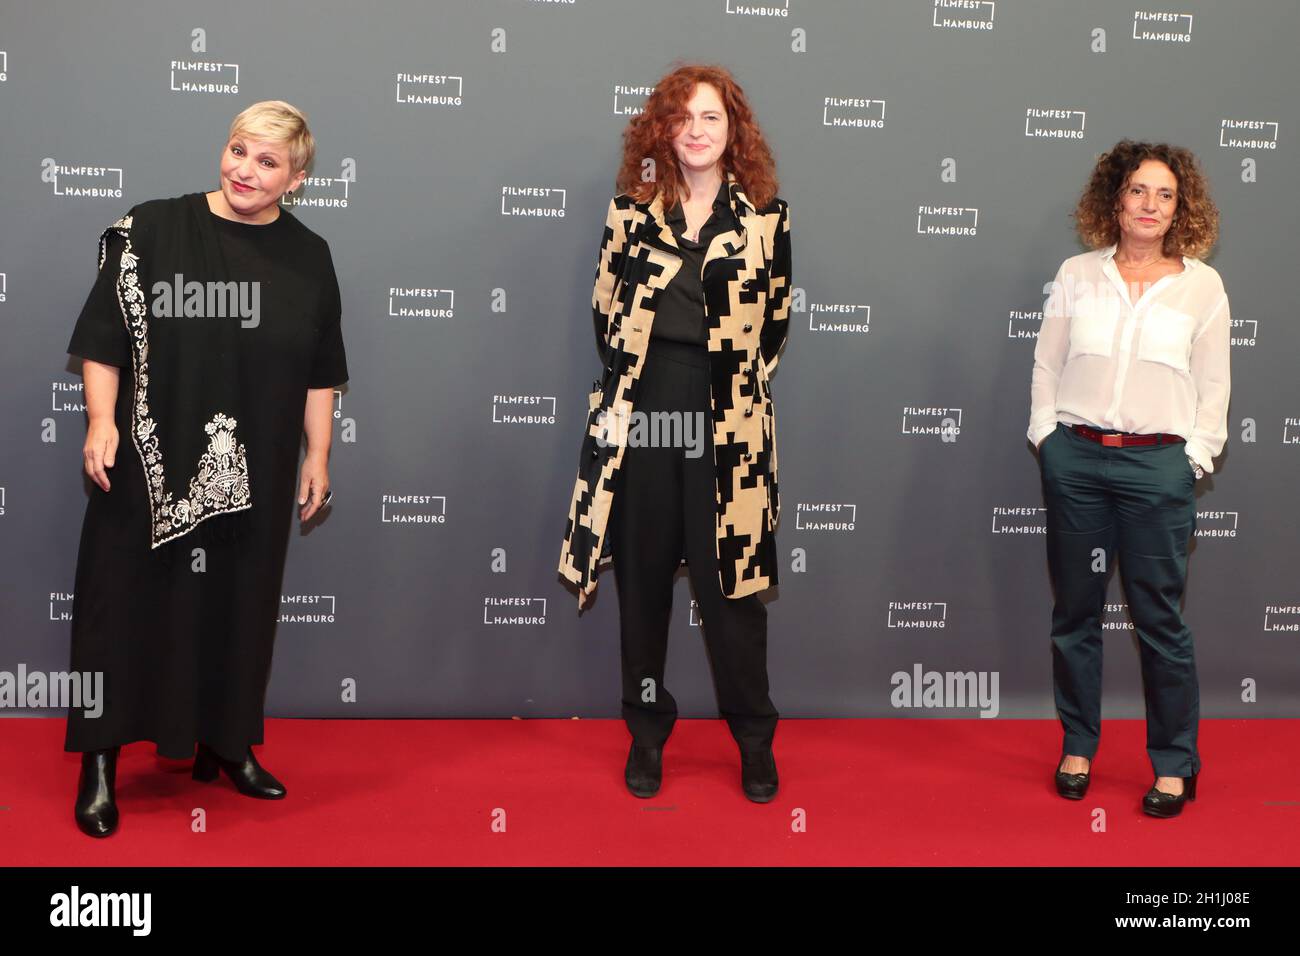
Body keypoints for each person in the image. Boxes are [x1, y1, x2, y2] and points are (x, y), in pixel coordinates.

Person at [65, 101, 349, 837]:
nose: (244, 170)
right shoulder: (154, 229)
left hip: (253, 465)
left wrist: (318, 453)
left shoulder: (309, 256)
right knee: (116, 608)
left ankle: (227, 745)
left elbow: (322, 370)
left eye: (266, 161)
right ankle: (98, 760)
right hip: (148, 464)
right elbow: (104, 339)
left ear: (298, 177)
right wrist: (101, 420)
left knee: (241, 608)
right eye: (237, 150)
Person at [558, 64, 791, 803]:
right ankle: (647, 733)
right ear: (662, 131)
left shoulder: (765, 219)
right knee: (644, 585)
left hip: (728, 424)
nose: (695, 130)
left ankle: (754, 740)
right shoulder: (629, 213)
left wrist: (726, 390)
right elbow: (605, 315)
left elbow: (774, 330)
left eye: (711, 117)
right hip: (645, 415)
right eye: (682, 117)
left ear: (733, 133)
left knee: (733, 596)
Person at [1029, 140, 1229, 818]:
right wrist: (1047, 437)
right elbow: (1047, 365)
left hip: (1157, 470)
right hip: (1077, 462)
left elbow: (1214, 388)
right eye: (1138, 191)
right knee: (1075, 615)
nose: (1150, 205)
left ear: (1181, 209)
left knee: (1159, 621)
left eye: (1165, 194)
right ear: (1114, 200)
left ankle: (1174, 763)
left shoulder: (1202, 286)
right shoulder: (1077, 273)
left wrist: (1192, 460)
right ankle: (1078, 746)